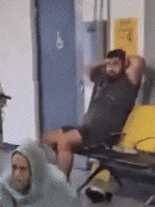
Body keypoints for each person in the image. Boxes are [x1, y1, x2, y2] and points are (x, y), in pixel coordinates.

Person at [43, 49, 145, 177]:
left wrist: (121, 59)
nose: (111, 67)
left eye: (116, 64)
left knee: (65, 142)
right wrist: (107, 62)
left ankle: (61, 185)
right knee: (48, 136)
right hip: (86, 129)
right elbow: (87, 68)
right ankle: (51, 179)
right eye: (109, 64)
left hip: (105, 134)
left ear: (125, 65)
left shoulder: (129, 83)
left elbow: (137, 62)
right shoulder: (102, 77)